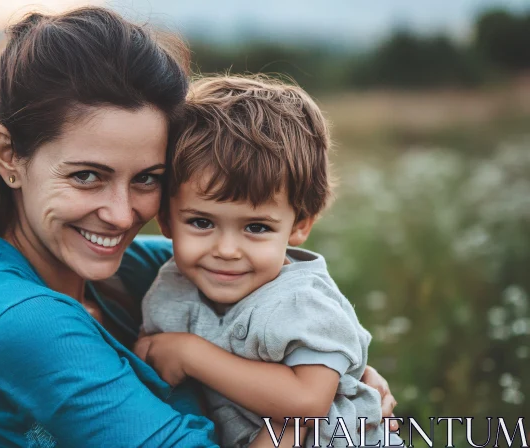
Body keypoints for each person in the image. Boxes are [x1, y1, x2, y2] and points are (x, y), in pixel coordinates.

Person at [0, 7, 398, 447]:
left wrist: (345, 382)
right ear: (9, 156)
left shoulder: (137, 269)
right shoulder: (20, 321)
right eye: (87, 176)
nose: (123, 215)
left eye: (148, 179)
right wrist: (324, 423)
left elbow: (291, 321)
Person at [136, 76, 402, 448]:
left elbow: (307, 405)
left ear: (300, 224)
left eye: (256, 227)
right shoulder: (171, 285)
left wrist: (191, 355)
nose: (227, 249)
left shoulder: (301, 302)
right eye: (201, 222)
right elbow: (148, 360)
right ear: (165, 218)